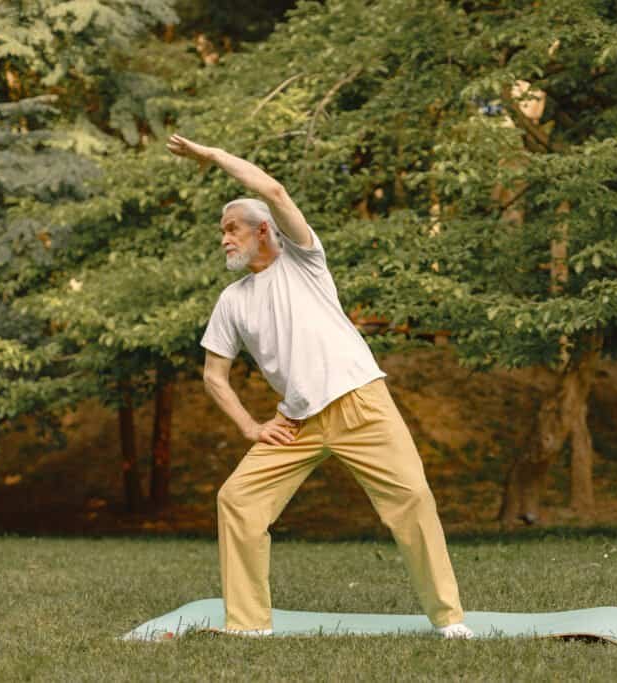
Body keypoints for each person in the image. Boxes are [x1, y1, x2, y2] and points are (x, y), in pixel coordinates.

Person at [166, 133, 474, 639]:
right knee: (237, 501)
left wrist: (216, 155)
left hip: (360, 402)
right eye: (222, 232)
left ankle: (449, 619)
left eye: (232, 230)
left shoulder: (303, 261)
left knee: (413, 498)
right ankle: (248, 626)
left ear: (262, 231)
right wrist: (250, 426)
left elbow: (277, 192)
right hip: (296, 422)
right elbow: (213, 377)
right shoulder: (232, 300)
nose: (224, 239)